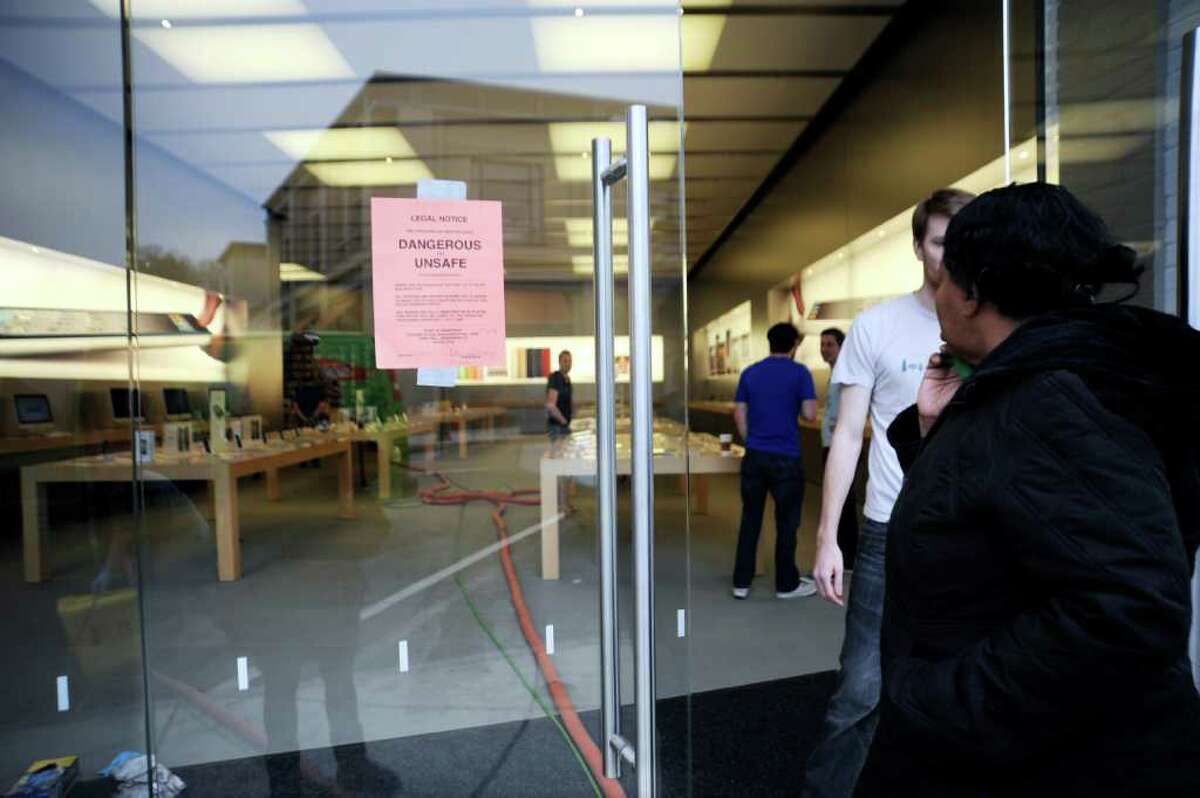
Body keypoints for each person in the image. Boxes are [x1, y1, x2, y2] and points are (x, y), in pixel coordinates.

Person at [869, 182, 1200, 795]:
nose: (936, 294)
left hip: (1043, 765)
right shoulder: (1057, 380)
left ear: (971, 295)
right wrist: (934, 432)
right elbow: (1004, 527)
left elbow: (1130, 605)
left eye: (944, 280)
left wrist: (940, 700)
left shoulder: (1050, 402)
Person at [802, 187, 974, 798]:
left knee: (967, 688)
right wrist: (828, 542)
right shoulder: (877, 326)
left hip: (973, 534)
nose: (951, 255)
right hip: (886, 529)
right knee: (861, 690)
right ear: (917, 246)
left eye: (963, 240)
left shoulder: (997, 325)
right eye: (938, 242)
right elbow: (847, 436)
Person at [730, 322, 818, 600]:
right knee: (787, 522)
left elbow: (739, 414)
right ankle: (786, 584)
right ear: (794, 345)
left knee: (750, 519)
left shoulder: (750, 373)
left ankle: (741, 583)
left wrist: (751, 440)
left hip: (755, 456)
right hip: (786, 459)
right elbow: (810, 414)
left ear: (769, 343)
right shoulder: (800, 373)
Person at [818, 327, 859, 568]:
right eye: (822, 344)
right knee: (837, 501)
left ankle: (848, 557)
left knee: (843, 500)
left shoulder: (845, 372)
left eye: (829, 344)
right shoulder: (833, 372)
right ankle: (845, 555)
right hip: (830, 444)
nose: (824, 349)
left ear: (841, 346)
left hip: (839, 447)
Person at [546, 350, 573, 439]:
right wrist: (563, 421)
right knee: (557, 451)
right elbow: (551, 405)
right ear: (559, 362)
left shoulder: (567, 379)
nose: (568, 364)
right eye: (565, 361)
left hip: (563, 425)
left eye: (570, 361)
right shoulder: (555, 378)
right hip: (557, 427)